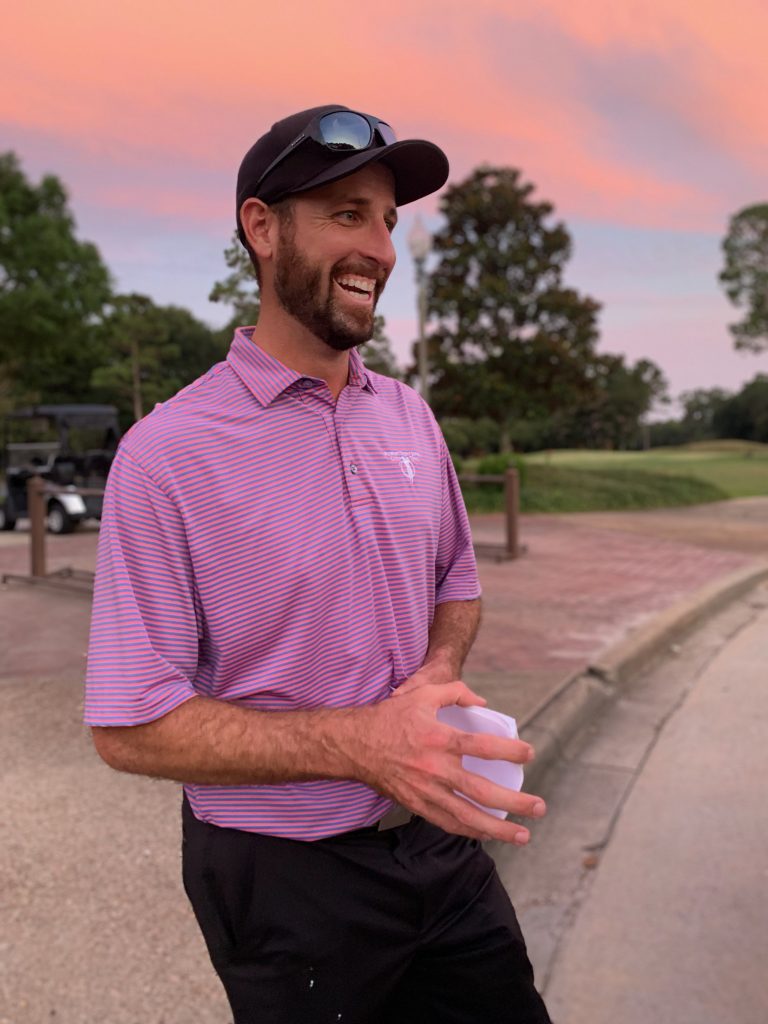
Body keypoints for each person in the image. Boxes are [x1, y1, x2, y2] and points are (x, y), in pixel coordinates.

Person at [85, 104, 551, 1024]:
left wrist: (431, 686)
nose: (378, 246)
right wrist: (363, 744)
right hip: (285, 883)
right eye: (345, 212)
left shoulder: (409, 416)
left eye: (386, 220)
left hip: (440, 842)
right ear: (262, 228)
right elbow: (129, 726)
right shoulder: (167, 452)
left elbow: (456, 580)